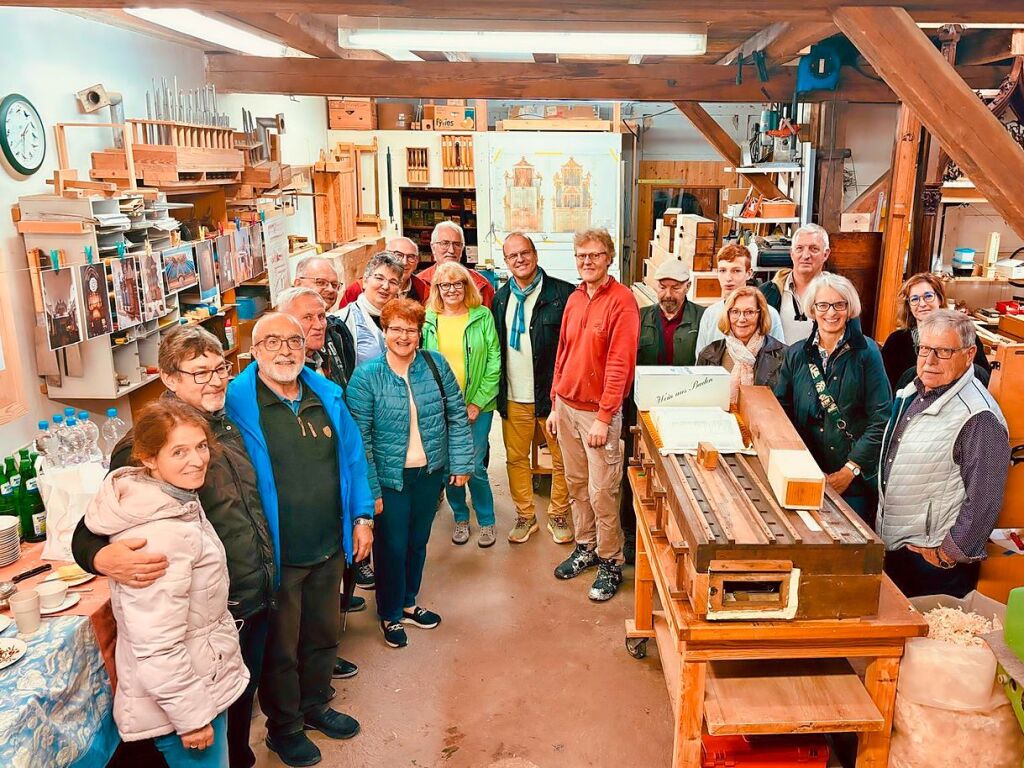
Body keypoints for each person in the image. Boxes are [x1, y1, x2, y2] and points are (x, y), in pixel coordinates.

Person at [71, 326, 273, 768]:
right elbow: (95, 523)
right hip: (202, 619)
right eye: (199, 372)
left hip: (241, 601)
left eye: (220, 368)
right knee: (213, 733)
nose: (215, 379)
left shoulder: (217, 423)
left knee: (238, 718)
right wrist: (99, 555)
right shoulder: (145, 445)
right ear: (168, 378)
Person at [225, 313, 374, 768]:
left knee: (323, 634)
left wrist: (361, 517)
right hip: (278, 553)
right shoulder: (236, 402)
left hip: (329, 544)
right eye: (272, 341)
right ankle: (284, 728)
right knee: (281, 647)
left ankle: (316, 705)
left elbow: (352, 457)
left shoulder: (325, 393)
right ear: (254, 351)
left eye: (293, 340)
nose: (285, 350)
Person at [85, 400, 249, 768]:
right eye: (179, 451)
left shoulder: (174, 501)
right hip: (182, 706)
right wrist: (191, 718)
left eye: (201, 446)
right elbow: (156, 645)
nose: (197, 460)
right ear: (147, 458)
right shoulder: (160, 535)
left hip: (198, 680)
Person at [346, 298, 474, 648]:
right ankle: (388, 614)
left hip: (428, 473)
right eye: (396, 329)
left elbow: (456, 414)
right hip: (389, 480)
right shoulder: (367, 376)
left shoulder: (434, 365)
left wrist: (461, 462)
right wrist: (370, 490)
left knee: (417, 543)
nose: (403, 336)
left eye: (411, 330)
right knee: (391, 547)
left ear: (420, 335)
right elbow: (361, 440)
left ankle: (408, 603)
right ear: (384, 332)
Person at [878, 309, 1010, 598]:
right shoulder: (914, 390)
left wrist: (947, 554)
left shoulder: (978, 416)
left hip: (933, 565)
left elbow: (985, 500)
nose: (930, 360)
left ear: (969, 353)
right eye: (924, 349)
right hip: (899, 551)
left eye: (943, 351)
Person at [547, 228, 640, 602]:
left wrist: (604, 417)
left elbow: (620, 365)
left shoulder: (623, 301)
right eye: (581, 255)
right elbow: (563, 353)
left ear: (609, 258)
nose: (587, 261)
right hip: (567, 408)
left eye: (595, 255)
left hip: (598, 415)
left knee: (603, 491)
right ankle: (585, 546)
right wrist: (555, 402)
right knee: (577, 485)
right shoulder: (573, 299)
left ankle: (610, 559)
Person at [276, 286, 364, 674]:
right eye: (306, 318)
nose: (318, 324)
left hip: (329, 525)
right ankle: (290, 714)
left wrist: (360, 513)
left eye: (321, 316)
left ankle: (318, 683)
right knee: (287, 629)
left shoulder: (324, 369)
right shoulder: (249, 392)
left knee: (323, 613)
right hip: (287, 538)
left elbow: (351, 451)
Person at [774, 273, 891, 523]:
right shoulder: (796, 354)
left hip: (853, 484)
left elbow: (881, 419)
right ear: (812, 310)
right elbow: (781, 413)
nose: (831, 312)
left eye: (840, 304)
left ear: (849, 309)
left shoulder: (867, 353)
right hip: (804, 475)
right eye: (823, 305)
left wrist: (850, 470)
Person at [492, 232, 575, 545]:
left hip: (551, 396)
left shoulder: (563, 294)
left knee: (561, 458)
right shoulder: (501, 299)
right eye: (512, 256)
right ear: (506, 261)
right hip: (514, 396)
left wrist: (562, 394)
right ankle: (526, 515)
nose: (519, 260)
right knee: (515, 459)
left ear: (535, 254)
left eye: (524, 253)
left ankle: (557, 514)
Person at [421, 262, 501, 548]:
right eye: (445, 285)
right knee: (448, 467)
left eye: (458, 284)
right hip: (439, 407)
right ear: (437, 289)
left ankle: (487, 520)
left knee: (474, 465)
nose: (452, 290)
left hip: (478, 405)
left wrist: (477, 402)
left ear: (467, 287)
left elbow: (494, 361)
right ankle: (460, 516)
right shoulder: (428, 319)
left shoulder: (482, 316)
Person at [881, 272, 991, 392]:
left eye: (928, 296)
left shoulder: (963, 334)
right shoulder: (896, 341)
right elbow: (885, 389)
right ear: (909, 306)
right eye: (914, 299)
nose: (922, 304)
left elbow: (984, 379)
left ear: (940, 298)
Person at [697, 286, 786, 405]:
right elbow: (700, 401)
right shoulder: (708, 353)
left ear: (761, 314)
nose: (741, 319)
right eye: (735, 312)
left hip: (765, 422)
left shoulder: (784, 356)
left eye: (749, 312)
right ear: (727, 315)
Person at [696, 243, 784, 353]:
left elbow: (780, 359)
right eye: (723, 270)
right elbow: (701, 362)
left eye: (736, 271)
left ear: (749, 273)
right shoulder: (710, 314)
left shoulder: (769, 314)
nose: (728, 278)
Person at [759, 223, 831, 344]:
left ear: (825, 254)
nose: (806, 255)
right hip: (779, 363)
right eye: (799, 248)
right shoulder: (766, 293)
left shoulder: (839, 294)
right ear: (792, 253)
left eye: (814, 249)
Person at [333, 251, 405, 368]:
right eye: (379, 278)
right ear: (365, 281)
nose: (385, 286)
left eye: (393, 282)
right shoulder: (343, 320)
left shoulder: (403, 319)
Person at [637, 260, 705, 367]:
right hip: (649, 383)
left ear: (687, 287)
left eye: (675, 288)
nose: (668, 295)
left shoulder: (703, 318)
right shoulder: (640, 317)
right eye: (662, 287)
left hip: (687, 383)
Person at [417, 221, 496, 308]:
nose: (451, 250)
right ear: (433, 247)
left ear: (462, 249)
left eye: (457, 244)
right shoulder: (419, 283)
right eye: (445, 243)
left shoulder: (481, 284)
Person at [339, 237, 428, 307]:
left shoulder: (423, 290)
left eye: (411, 257)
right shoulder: (358, 288)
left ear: (417, 261)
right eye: (398, 255)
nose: (404, 262)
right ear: (386, 256)